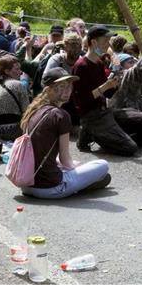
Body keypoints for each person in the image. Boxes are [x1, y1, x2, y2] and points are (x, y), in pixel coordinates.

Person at [19, 67, 111, 199]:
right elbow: (65, 160)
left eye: (69, 86)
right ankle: (79, 185)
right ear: (48, 89)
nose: (67, 90)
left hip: (26, 186)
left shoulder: (34, 110)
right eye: (60, 86)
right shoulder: (61, 115)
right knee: (103, 166)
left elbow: (42, 153)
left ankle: (81, 183)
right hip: (50, 187)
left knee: (92, 172)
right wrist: (74, 167)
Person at [72, 25, 139, 156]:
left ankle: (106, 133)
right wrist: (106, 86)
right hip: (91, 116)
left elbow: (108, 93)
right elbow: (82, 100)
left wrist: (116, 83)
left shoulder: (98, 63)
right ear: (94, 42)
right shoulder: (81, 66)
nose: (108, 45)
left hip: (104, 111)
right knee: (130, 147)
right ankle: (89, 133)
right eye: (105, 41)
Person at [0, 55, 29, 139]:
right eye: (17, 69)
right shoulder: (18, 85)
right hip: (15, 130)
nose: (20, 72)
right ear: (6, 71)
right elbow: (27, 112)